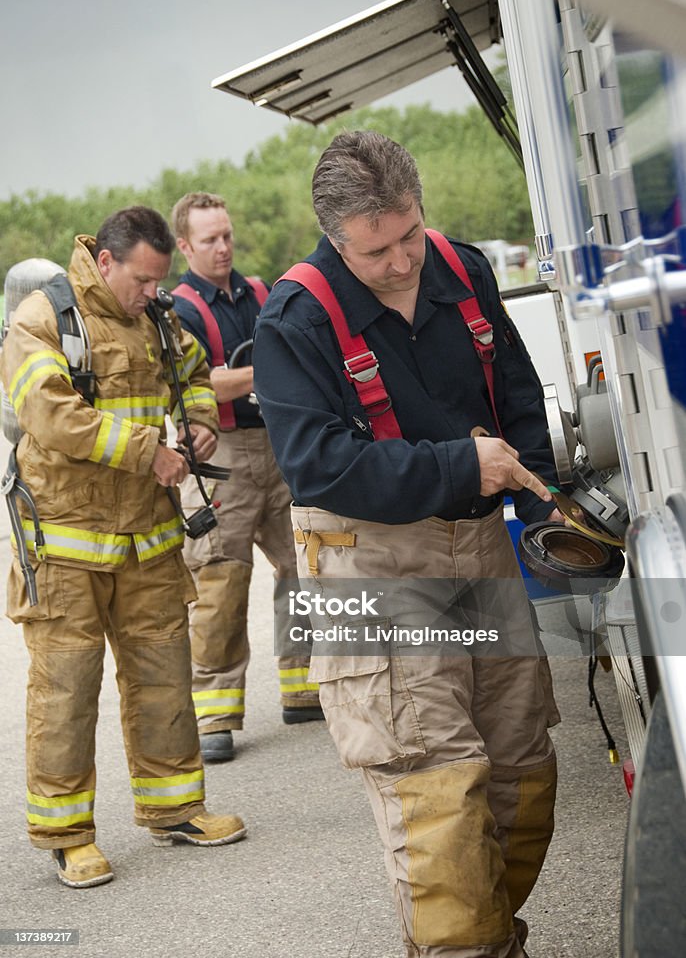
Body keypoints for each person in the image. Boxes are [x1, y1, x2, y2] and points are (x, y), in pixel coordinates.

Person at [253, 131, 566, 958]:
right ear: (335, 238)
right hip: (372, 562)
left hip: (478, 548)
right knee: (436, 789)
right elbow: (316, 466)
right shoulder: (295, 320)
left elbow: (520, 399)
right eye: (376, 252)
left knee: (520, 770)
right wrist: (460, 461)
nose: (400, 264)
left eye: (410, 236)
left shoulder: (462, 270)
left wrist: (539, 508)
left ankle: (491, 934)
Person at [0, 206, 246, 890]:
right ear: (105, 262)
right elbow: (51, 416)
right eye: (141, 279)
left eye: (157, 281)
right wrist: (151, 454)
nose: (150, 292)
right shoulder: (41, 321)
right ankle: (68, 835)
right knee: (66, 692)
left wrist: (198, 424)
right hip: (68, 543)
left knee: (165, 675)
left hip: (148, 541)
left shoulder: (158, 317)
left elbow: (196, 370)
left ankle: (176, 810)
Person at [170, 192, 323, 764]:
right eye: (209, 239)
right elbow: (201, 380)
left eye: (227, 234)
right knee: (221, 582)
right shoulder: (180, 309)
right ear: (185, 246)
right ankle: (214, 712)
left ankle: (301, 684)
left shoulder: (260, 292)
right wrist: (264, 371)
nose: (223, 247)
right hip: (222, 457)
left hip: (277, 447)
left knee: (303, 564)